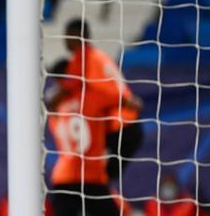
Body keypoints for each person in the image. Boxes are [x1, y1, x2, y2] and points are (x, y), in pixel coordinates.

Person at [45, 55, 139, 216]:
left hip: (64, 176)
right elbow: (129, 102)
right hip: (91, 176)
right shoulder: (92, 96)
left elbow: (52, 98)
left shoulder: (54, 105)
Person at [51, 19, 144, 187]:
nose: (65, 40)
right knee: (100, 176)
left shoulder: (81, 58)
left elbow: (68, 88)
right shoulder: (99, 56)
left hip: (118, 125)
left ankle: (102, 207)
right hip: (129, 123)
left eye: (68, 35)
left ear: (79, 36)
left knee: (92, 176)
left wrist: (48, 102)